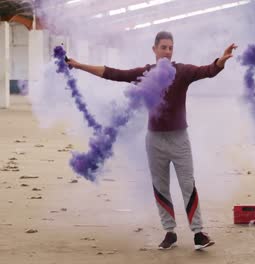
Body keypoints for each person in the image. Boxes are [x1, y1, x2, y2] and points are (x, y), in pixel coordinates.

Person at [67, 31, 237, 250]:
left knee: (188, 184)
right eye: (163, 47)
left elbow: (208, 71)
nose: (167, 51)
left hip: (179, 139)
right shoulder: (145, 73)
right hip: (154, 140)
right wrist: (80, 65)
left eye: (170, 48)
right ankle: (170, 232)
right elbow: (113, 73)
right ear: (154, 49)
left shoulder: (182, 71)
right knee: (160, 186)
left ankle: (198, 233)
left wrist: (220, 61)